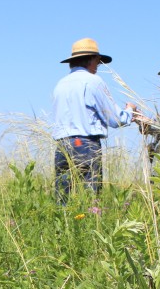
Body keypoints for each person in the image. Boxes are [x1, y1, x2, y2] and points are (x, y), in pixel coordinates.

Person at [50, 38, 135, 201]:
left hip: (62, 146)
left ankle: (65, 224)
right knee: (90, 197)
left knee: (63, 198)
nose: (98, 66)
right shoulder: (93, 82)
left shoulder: (61, 84)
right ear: (91, 59)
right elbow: (115, 119)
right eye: (98, 61)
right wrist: (130, 110)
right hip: (85, 144)